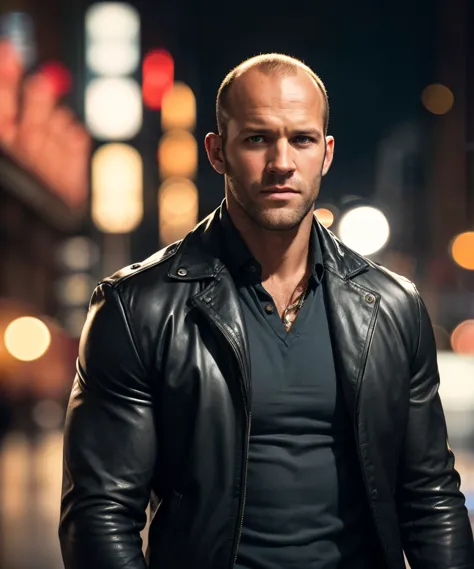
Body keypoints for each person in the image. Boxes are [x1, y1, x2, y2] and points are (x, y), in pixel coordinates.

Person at [59, 53, 474, 569]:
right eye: (257, 138)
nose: (282, 161)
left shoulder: (392, 306)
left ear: (325, 153)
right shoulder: (138, 308)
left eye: (300, 139)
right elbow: (100, 512)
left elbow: (430, 498)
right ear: (217, 152)